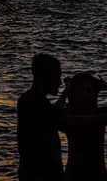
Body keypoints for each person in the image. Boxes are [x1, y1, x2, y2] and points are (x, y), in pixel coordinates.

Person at [17, 53, 67, 181]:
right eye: (58, 77)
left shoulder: (33, 101)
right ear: (47, 77)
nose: (59, 82)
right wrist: (66, 93)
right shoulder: (33, 102)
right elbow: (56, 116)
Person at [62, 74, 107, 180]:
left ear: (94, 93)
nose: (85, 94)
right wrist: (66, 91)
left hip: (98, 173)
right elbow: (53, 116)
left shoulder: (101, 113)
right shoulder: (69, 114)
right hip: (74, 174)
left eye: (89, 91)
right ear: (74, 93)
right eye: (81, 91)